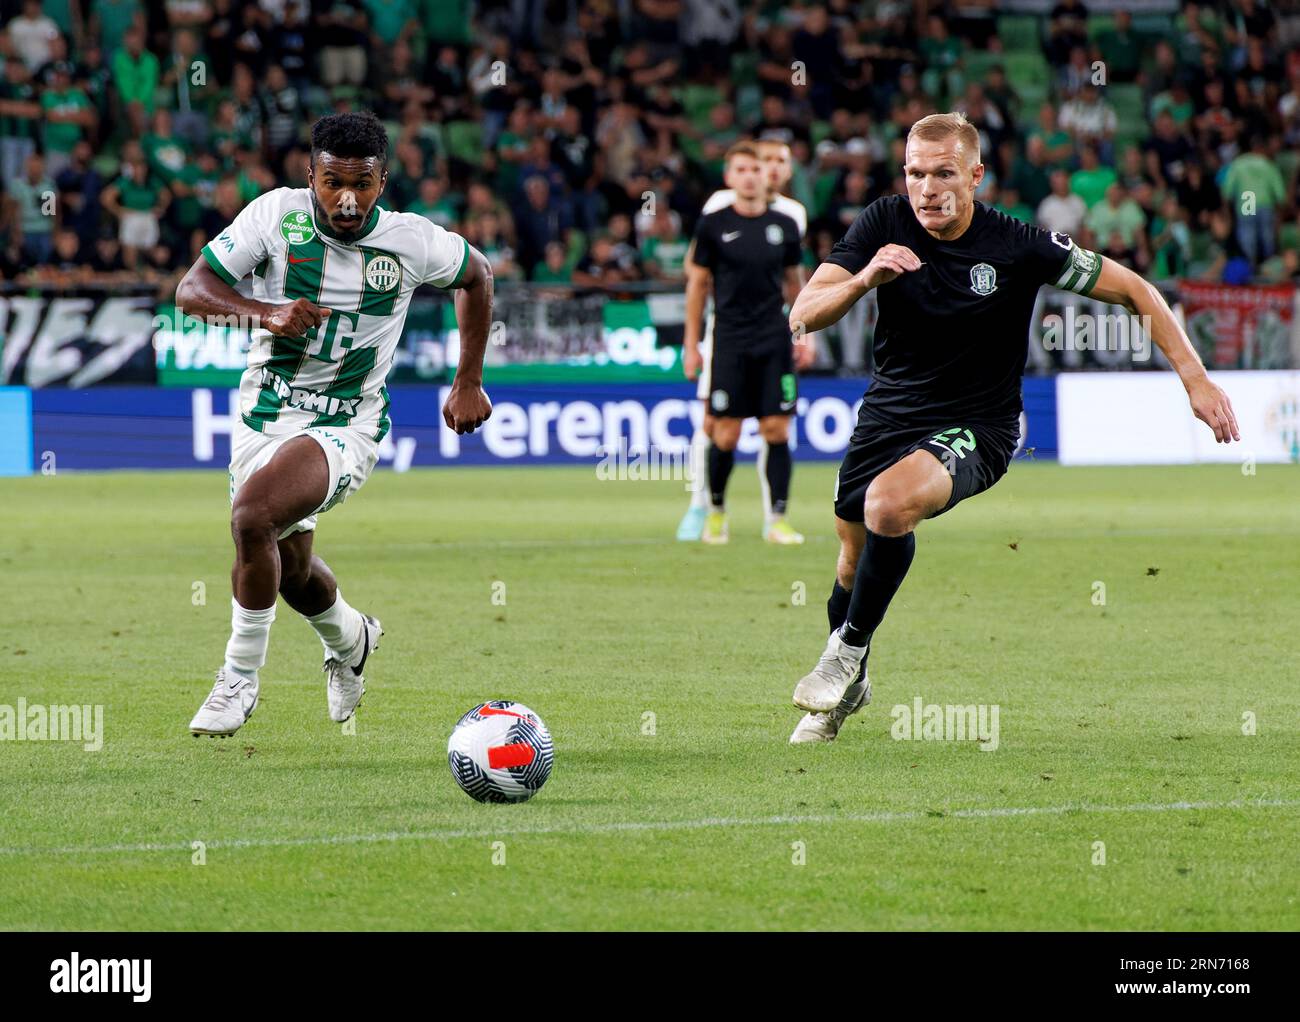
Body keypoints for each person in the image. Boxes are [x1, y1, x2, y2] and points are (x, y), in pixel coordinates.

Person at [784, 112, 1239, 744]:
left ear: (975, 175)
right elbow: (803, 315)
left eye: (944, 174)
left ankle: (846, 652)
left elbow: (1137, 290)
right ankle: (851, 681)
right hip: (886, 414)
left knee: (889, 505)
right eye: (916, 173)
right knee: (850, 556)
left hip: (980, 424)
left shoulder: (1020, 245)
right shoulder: (882, 223)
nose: (927, 189)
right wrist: (865, 280)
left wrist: (1194, 378)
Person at [175, 111, 494, 737]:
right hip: (263, 415)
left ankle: (237, 680)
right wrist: (264, 313)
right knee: (290, 571)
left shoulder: (411, 239)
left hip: (347, 426)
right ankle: (353, 639)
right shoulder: (275, 217)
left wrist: (468, 380)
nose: (347, 199)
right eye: (332, 182)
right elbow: (192, 289)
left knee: (251, 516)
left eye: (363, 184)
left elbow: (477, 275)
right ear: (310, 175)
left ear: (384, 181)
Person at [678, 138, 812, 543]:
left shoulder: (787, 223)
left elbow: (795, 284)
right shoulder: (714, 223)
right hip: (729, 339)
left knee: (776, 429)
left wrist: (804, 333)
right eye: (743, 169)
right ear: (729, 176)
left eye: (757, 169)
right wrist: (691, 344)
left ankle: (777, 520)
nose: (753, 176)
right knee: (724, 431)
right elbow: (697, 284)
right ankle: (713, 510)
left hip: (774, 338)